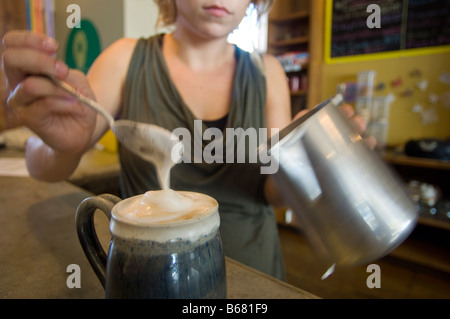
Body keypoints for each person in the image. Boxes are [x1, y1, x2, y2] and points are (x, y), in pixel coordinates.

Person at [2, 0, 372, 280]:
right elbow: (43, 166)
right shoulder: (125, 60)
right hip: (152, 274)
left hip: (254, 274)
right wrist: (63, 145)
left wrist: (308, 158)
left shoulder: (267, 73)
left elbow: (270, 192)